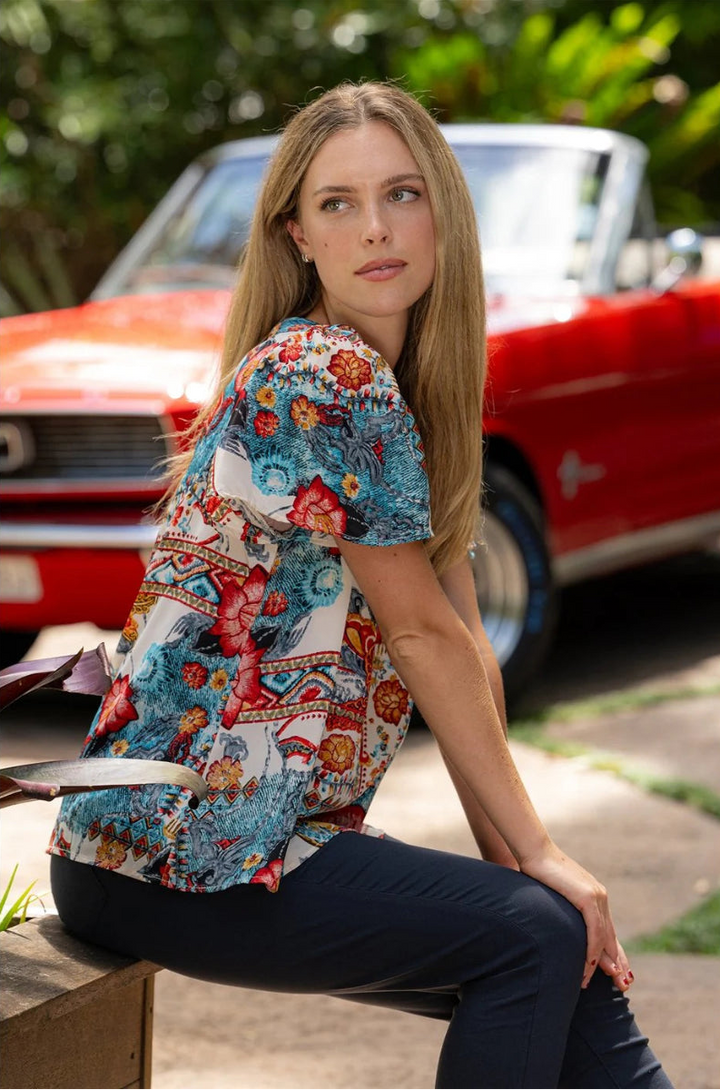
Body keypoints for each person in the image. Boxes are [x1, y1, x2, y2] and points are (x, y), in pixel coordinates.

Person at [49, 81, 673, 1088]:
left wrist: (517, 853)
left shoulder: (410, 392)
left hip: (256, 838)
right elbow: (421, 636)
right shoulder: (320, 375)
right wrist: (539, 857)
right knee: (526, 936)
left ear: (444, 214)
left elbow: (464, 654)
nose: (375, 228)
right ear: (295, 233)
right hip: (165, 854)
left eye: (403, 194)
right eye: (337, 203)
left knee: (556, 940)